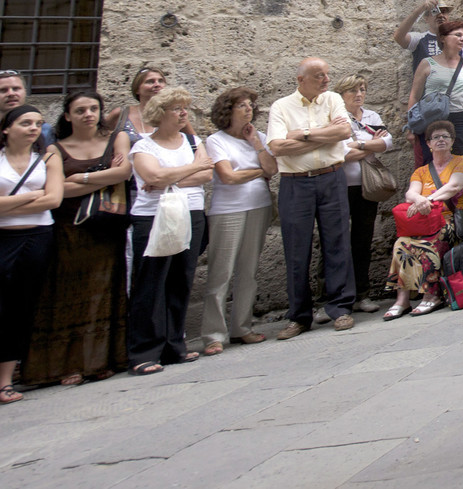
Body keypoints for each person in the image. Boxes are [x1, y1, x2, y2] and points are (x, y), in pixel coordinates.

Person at [22, 92, 130, 386]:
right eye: (80, 110)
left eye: (94, 109)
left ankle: (100, 361)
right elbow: (57, 192)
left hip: (107, 228)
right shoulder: (55, 148)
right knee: (67, 295)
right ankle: (67, 365)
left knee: (104, 294)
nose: (88, 114)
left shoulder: (116, 138)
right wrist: (103, 174)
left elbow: (124, 171)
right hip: (69, 230)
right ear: (68, 115)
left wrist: (80, 179)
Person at [267, 58, 357, 339]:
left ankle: (340, 308)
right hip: (295, 184)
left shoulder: (331, 100)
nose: (326, 80)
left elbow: (344, 132)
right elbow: (278, 147)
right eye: (319, 76)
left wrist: (304, 134)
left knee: (337, 242)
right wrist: (324, 137)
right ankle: (299, 316)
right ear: (301, 79)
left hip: (331, 177)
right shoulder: (281, 107)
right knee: (296, 249)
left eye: (327, 75)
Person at [126, 88, 211, 374]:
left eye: (184, 107)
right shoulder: (143, 147)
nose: (183, 113)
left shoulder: (192, 140)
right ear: (160, 114)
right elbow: (152, 176)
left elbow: (207, 173)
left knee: (180, 280)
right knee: (151, 282)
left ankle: (175, 346)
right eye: (176, 108)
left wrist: (170, 179)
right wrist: (190, 169)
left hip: (190, 212)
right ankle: (144, 352)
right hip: (153, 217)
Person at [197, 88, 276, 356]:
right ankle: (213, 334)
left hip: (259, 206)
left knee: (249, 270)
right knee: (221, 272)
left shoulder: (259, 137)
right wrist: (257, 172)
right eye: (241, 105)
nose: (248, 109)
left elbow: (272, 169)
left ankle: (242, 327)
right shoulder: (215, 141)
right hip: (227, 210)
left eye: (250, 105)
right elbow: (227, 176)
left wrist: (256, 144)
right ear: (227, 111)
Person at [0, 105, 63, 402]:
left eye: (38, 123)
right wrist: (31, 196)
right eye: (25, 123)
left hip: (37, 236)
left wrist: (9, 203)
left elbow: (53, 198)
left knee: (20, 306)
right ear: (6, 129)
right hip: (3, 238)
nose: (33, 128)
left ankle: (5, 380)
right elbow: (41, 196)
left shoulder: (48, 158)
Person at [384, 123, 463, 318]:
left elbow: (454, 186)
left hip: (449, 221)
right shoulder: (421, 171)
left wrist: (426, 200)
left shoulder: (461, 161)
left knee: (428, 243)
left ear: (452, 141)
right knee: (401, 244)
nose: (441, 140)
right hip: (425, 223)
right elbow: (410, 194)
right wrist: (419, 199)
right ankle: (402, 300)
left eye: (445, 137)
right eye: (436, 137)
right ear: (428, 144)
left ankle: (431, 296)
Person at [337, 76, 393, 314]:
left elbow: (387, 143)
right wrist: (369, 145)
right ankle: (332, 297)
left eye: (362, 89)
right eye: (352, 90)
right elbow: (340, 154)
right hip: (340, 185)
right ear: (341, 94)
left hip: (366, 186)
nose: (358, 94)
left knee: (362, 240)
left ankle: (362, 293)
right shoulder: (336, 118)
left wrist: (358, 146)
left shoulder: (371, 117)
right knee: (336, 241)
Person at [407, 19, 463, 159]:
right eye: (457, 35)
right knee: (433, 159)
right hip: (433, 117)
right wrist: (410, 127)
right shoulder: (427, 63)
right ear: (443, 38)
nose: (462, 39)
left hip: (462, 118)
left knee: (457, 158)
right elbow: (415, 96)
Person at [392, 0, 456, 72]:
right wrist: (420, 9)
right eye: (435, 12)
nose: (440, 15)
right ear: (426, 18)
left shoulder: (456, 39)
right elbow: (398, 36)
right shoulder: (419, 38)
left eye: (444, 12)